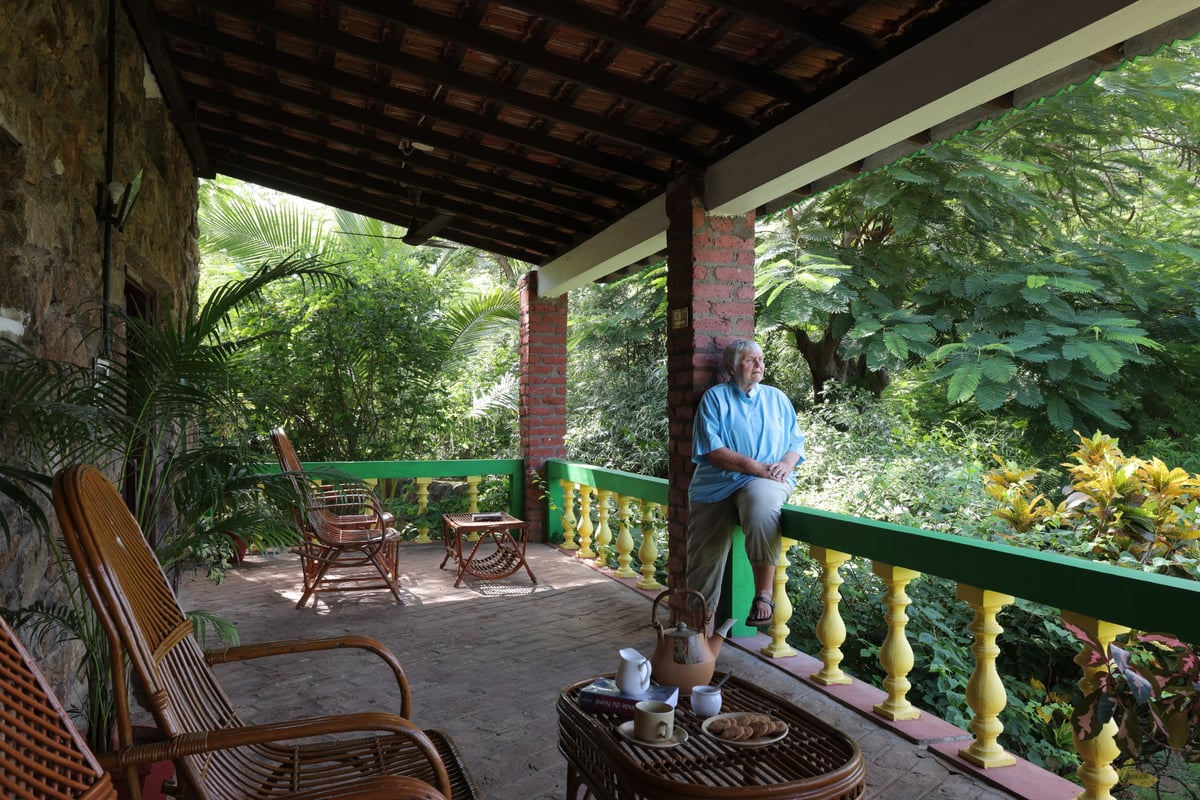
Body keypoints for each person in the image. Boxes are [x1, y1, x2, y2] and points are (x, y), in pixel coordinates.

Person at [686, 339, 805, 629]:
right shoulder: (715, 398)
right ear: (731, 367)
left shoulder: (777, 398)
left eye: (761, 359)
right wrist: (758, 467)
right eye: (750, 359)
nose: (758, 364)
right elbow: (713, 451)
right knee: (703, 563)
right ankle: (698, 633)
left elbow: (795, 442)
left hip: (767, 480)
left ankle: (763, 595)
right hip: (715, 484)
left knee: (761, 504)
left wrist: (786, 464)